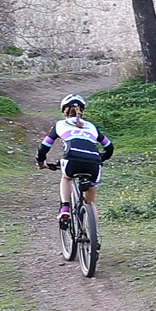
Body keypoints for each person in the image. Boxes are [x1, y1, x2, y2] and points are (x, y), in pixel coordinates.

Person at [35, 94, 114, 226]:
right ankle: (93, 235)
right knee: (90, 202)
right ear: (82, 110)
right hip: (94, 163)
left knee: (66, 177)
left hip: (72, 160)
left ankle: (65, 207)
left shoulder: (60, 125)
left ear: (65, 111)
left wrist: (41, 162)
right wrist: (100, 158)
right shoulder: (91, 126)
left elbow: (45, 146)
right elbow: (109, 147)